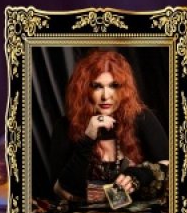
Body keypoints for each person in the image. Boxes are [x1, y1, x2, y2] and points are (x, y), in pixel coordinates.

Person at [49, 50, 168, 202]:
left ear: (124, 89)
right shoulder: (64, 126)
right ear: (84, 90)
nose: (106, 96)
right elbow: (60, 189)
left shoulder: (141, 117)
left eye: (114, 86)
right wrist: (88, 138)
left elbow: (170, 166)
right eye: (97, 86)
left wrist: (139, 175)